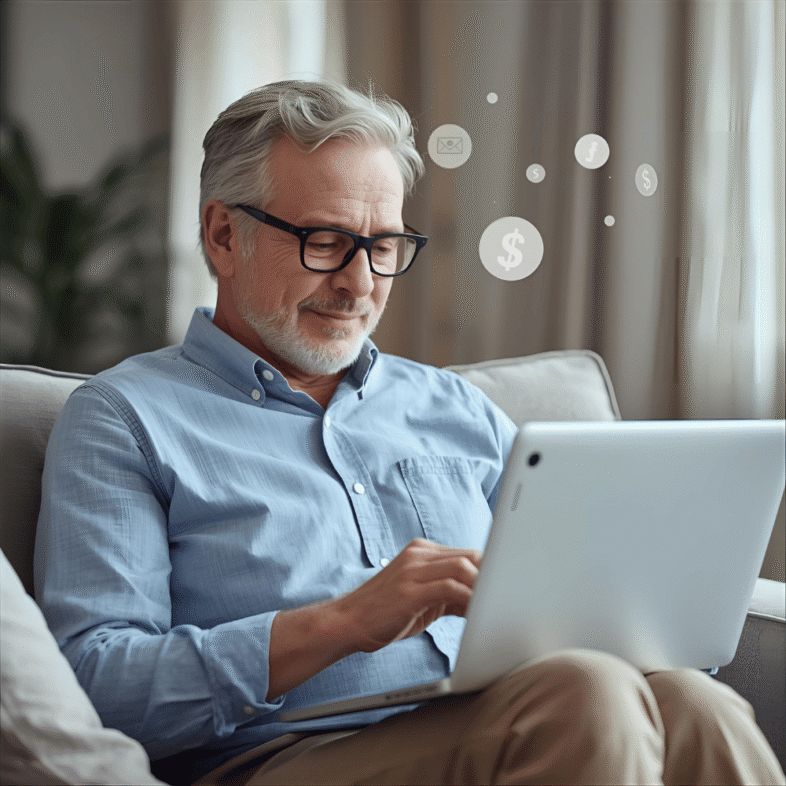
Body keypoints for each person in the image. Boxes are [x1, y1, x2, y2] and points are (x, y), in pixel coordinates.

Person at [35, 80, 784, 786]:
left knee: (696, 703)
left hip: (500, 714)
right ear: (224, 235)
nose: (360, 284)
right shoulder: (124, 420)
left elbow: (578, 616)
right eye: (324, 241)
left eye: (383, 246)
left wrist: (653, 610)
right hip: (283, 757)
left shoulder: (454, 407)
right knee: (581, 693)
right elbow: (98, 687)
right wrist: (342, 623)